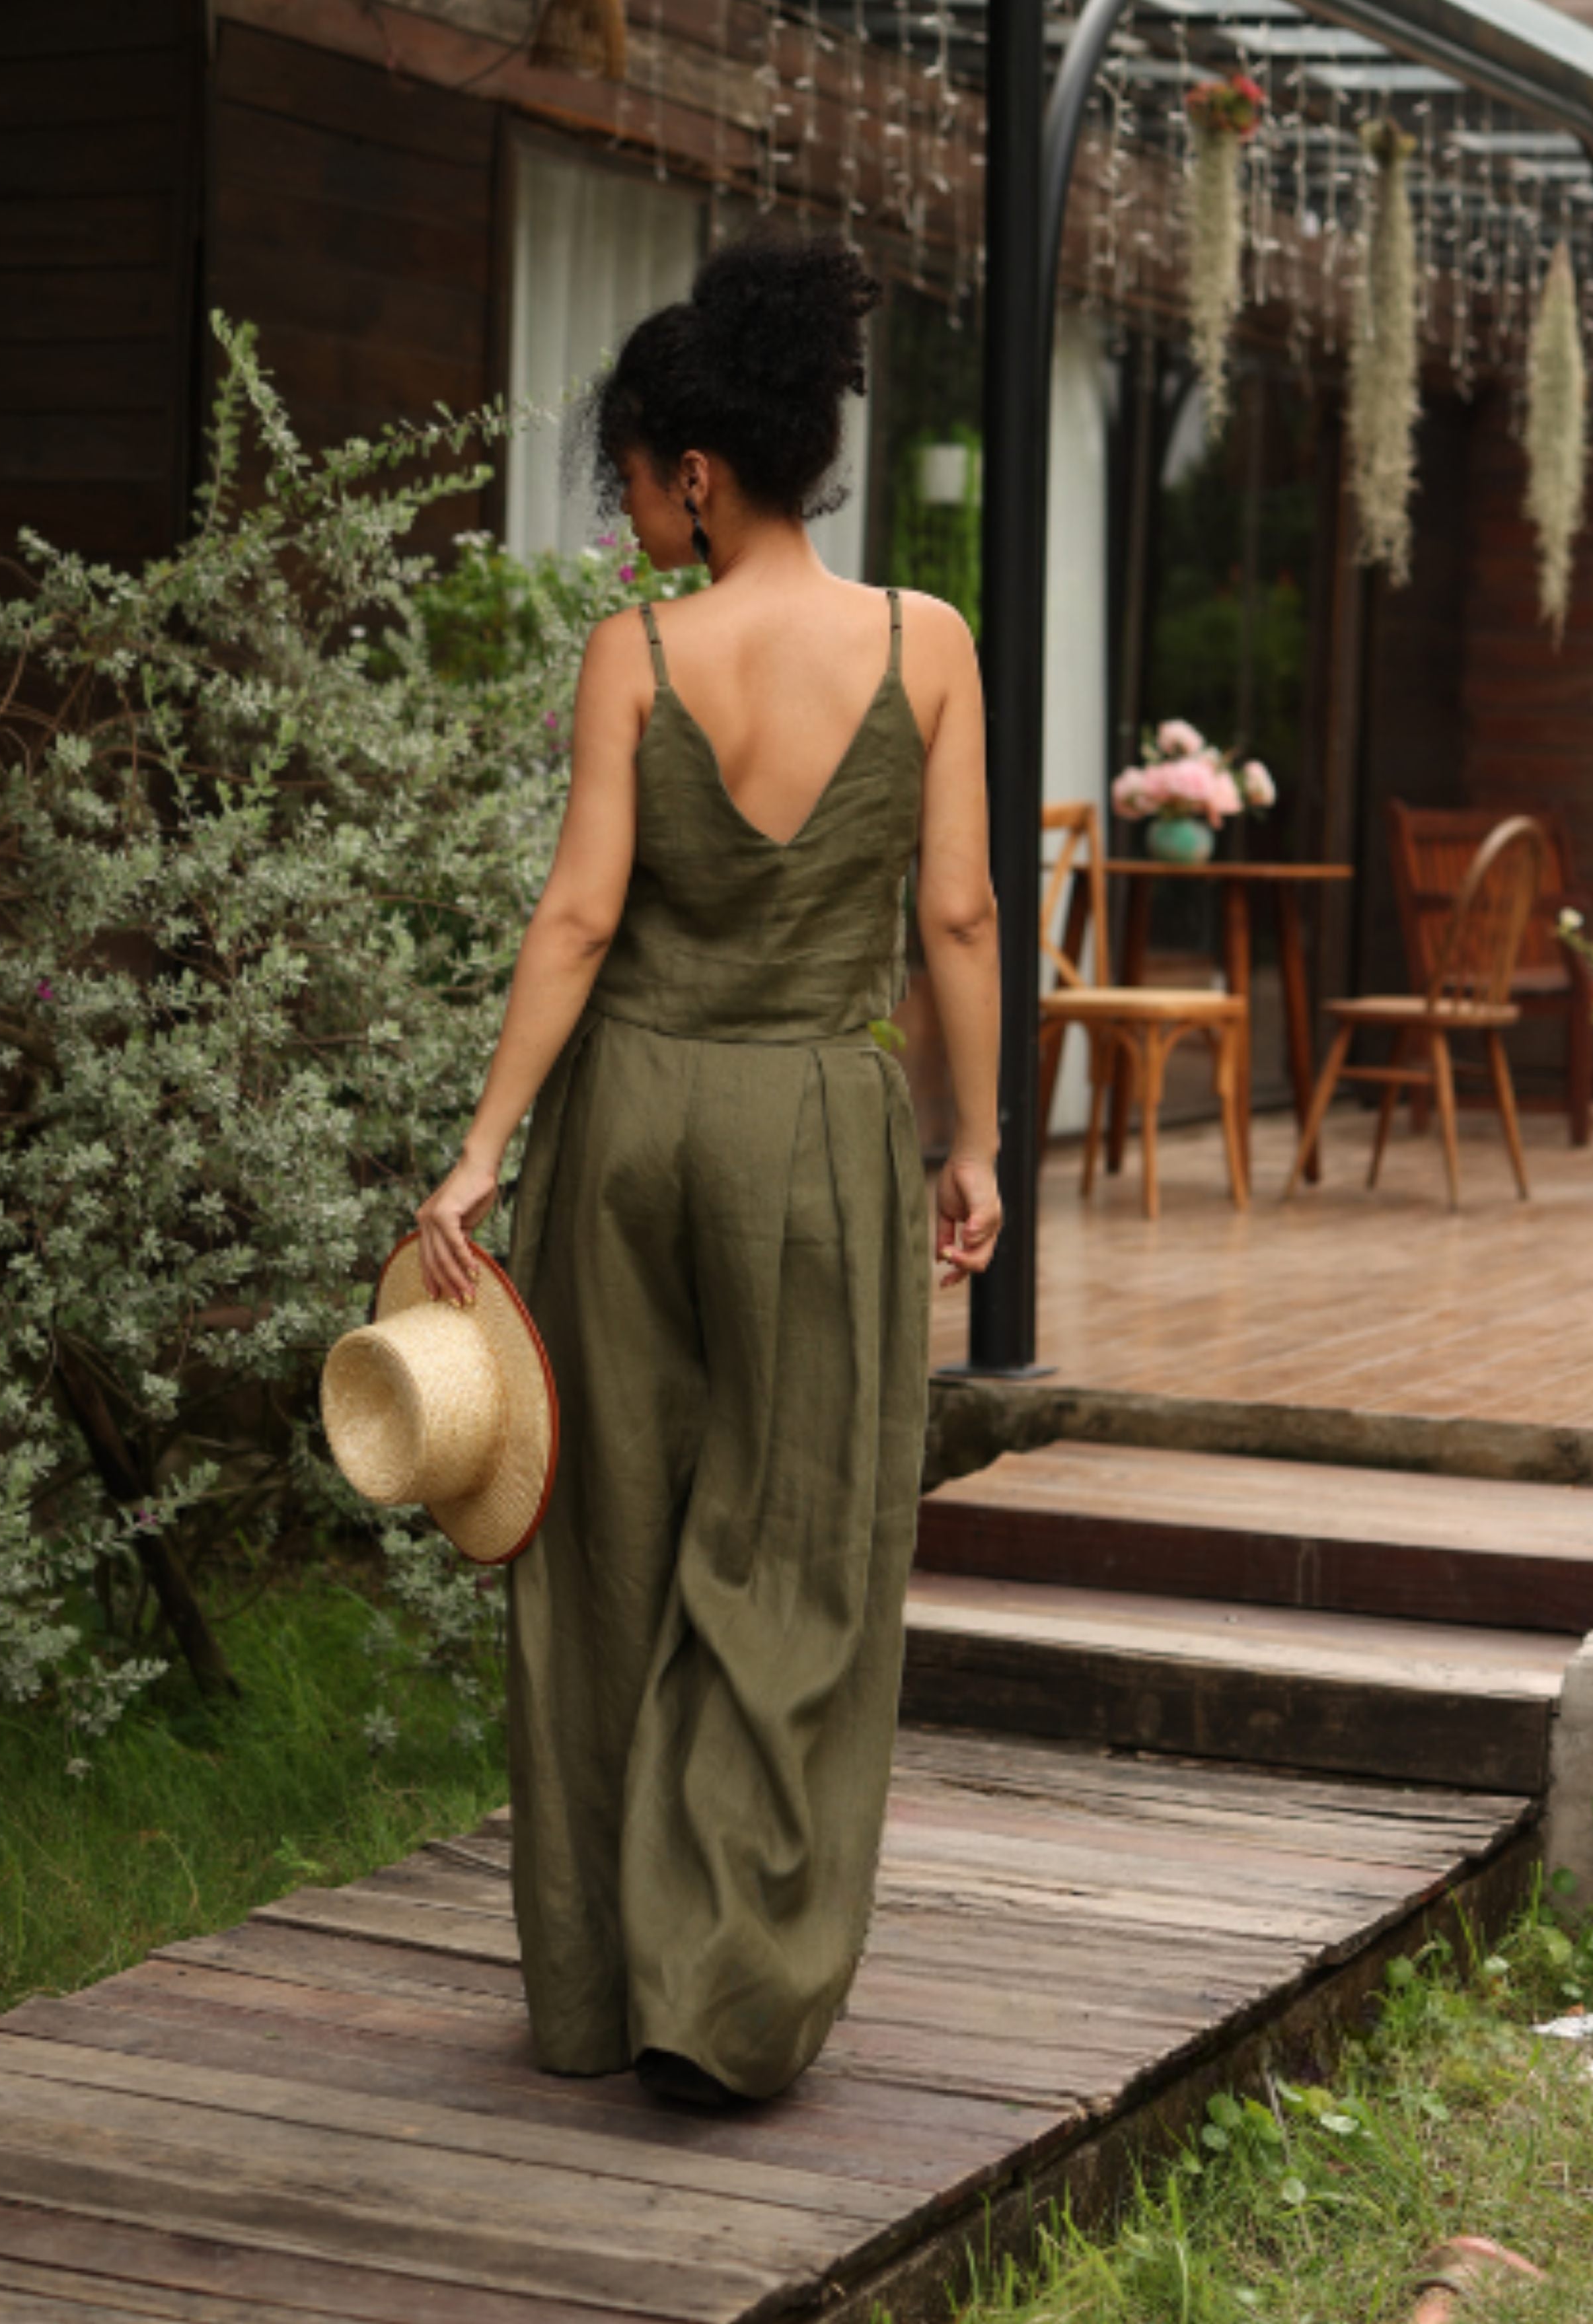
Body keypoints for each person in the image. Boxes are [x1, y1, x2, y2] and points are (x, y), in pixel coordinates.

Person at [416, 231, 1002, 2107]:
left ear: (696, 470)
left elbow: (578, 922)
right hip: (819, 1131)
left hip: (628, 1132)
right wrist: (976, 1145)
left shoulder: (637, 656)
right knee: (795, 1544)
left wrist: (479, 1155)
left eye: (634, 484)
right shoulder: (924, 644)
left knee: (605, 1541)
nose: (632, 522)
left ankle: (596, 1993)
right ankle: (724, 1995)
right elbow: (960, 919)